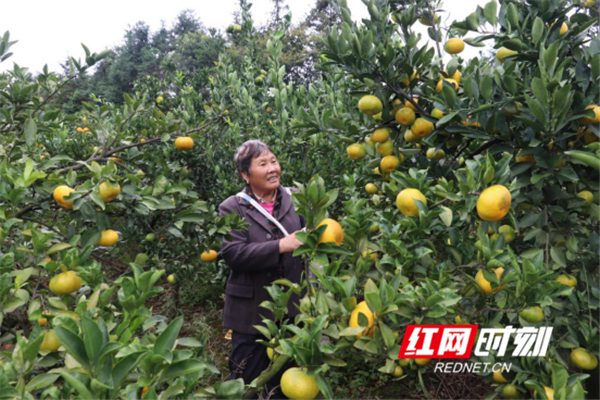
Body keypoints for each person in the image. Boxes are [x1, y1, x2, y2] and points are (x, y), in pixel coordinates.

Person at [218, 140, 304, 399]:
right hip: (251, 311)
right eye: (263, 164)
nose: (272, 169)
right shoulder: (232, 207)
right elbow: (233, 254)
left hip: (292, 307)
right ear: (245, 174)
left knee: (287, 379)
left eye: (274, 161)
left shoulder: (295, 197)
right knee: (248, 381)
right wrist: (280, 246)